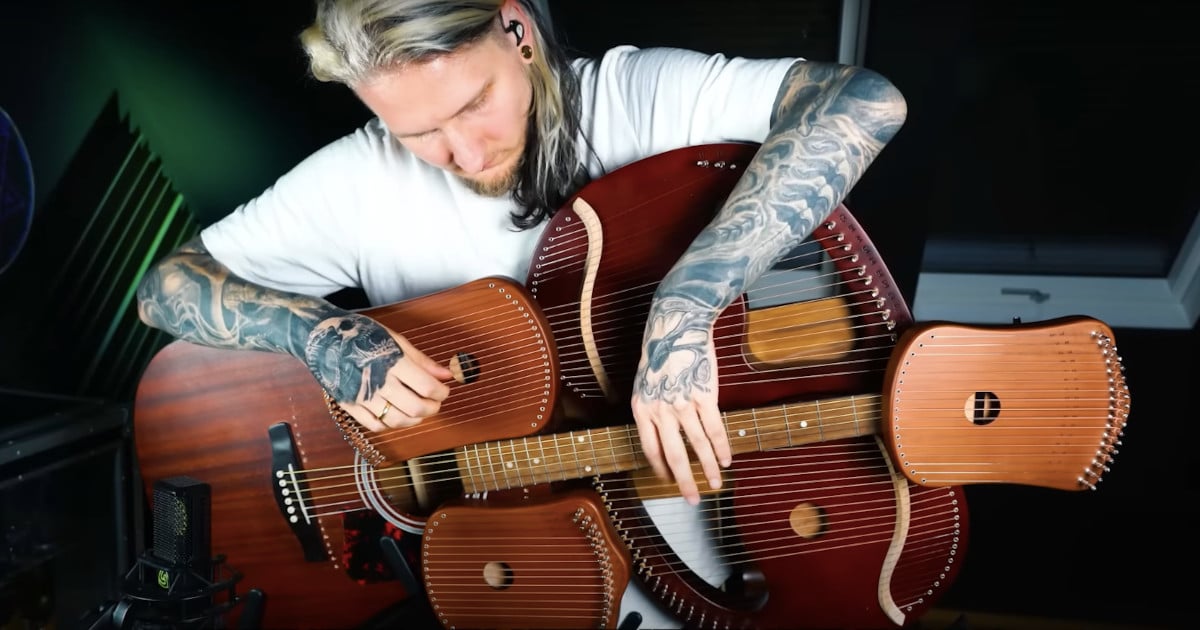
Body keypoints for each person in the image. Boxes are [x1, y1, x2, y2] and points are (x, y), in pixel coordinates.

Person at [135, 0, 907, 506]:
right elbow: (165, 285)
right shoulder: (357, 179)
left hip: (698, 526)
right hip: (503, 564)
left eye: (475, 103)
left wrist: (687, 302)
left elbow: (863, 101)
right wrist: (318, 334)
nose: (464, 152)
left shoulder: (635, 96)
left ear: (518, 31)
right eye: (418, 134)